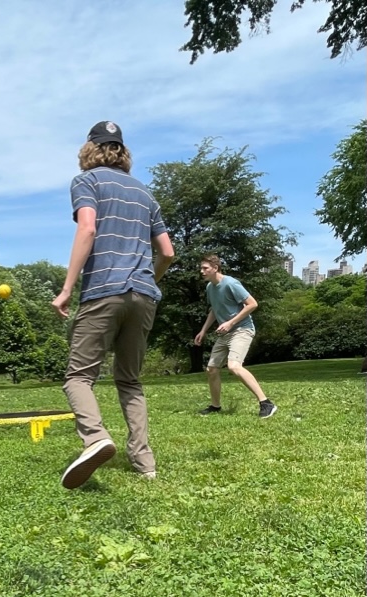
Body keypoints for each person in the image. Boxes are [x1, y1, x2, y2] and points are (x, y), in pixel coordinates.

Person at [52, 121, 174, 489]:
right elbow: (167, 252)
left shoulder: (86, 182)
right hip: (144, 294)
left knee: (78, 376)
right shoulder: (145, 194)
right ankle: (144, 462)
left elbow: (87, 229)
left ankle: (95, 437)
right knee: (130, 381)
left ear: (90, 149)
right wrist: (148, 279)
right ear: (123, 152)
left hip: (104, 289)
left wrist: (67, 288)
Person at [194, 255, 277, 418]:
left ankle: (266, 403)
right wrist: (203, 330)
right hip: (226, 332)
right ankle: (215, 406)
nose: (201, 271)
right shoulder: (210, 287)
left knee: (233, 366)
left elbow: (253, 304)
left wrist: (230, 323)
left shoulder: (231, 284)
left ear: (215, 268)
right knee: (211, 369)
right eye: (201, 268)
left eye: (205, 268)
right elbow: (214, 310)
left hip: (242, 329)